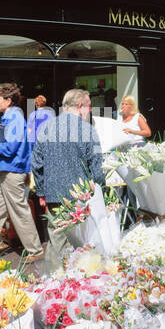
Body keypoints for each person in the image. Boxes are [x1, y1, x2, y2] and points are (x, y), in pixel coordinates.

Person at [31, 89, 103, 273]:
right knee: (82, 242)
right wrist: (100, 189)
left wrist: (41, 191)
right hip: (81, 197)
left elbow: (37, 162)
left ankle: (54, 282)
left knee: (56, 240)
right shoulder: (87, 130)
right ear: (80, 106)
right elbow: (96, 166)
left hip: (55, 194)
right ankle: (78, 281)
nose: (90, 111)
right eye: (88, 107)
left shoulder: (47, 127)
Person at [0, 82, 44, 263]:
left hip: (12, 171)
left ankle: (35, 251)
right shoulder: (12, 117)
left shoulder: (14, 118)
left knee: (19, 210)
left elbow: (11, 147)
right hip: (9, 170)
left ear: (8, 100)